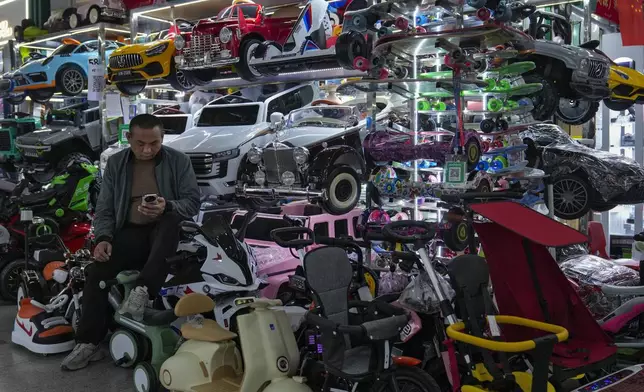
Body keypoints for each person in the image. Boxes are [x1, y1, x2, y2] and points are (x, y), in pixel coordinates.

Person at [61, 114, 200, 371]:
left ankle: (142, 292)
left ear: (162, 139)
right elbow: (104, 208)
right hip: (130, 233)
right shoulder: (116, 163)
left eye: (154, 143)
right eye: (140, 144)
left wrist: (166, 205)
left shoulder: (178, 161)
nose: (147, 149)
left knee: (170, 220)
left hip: (165, 236)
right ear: (129, 139)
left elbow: (192, 202)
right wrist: (103, 238)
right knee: (96, 272)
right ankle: (88, 343)